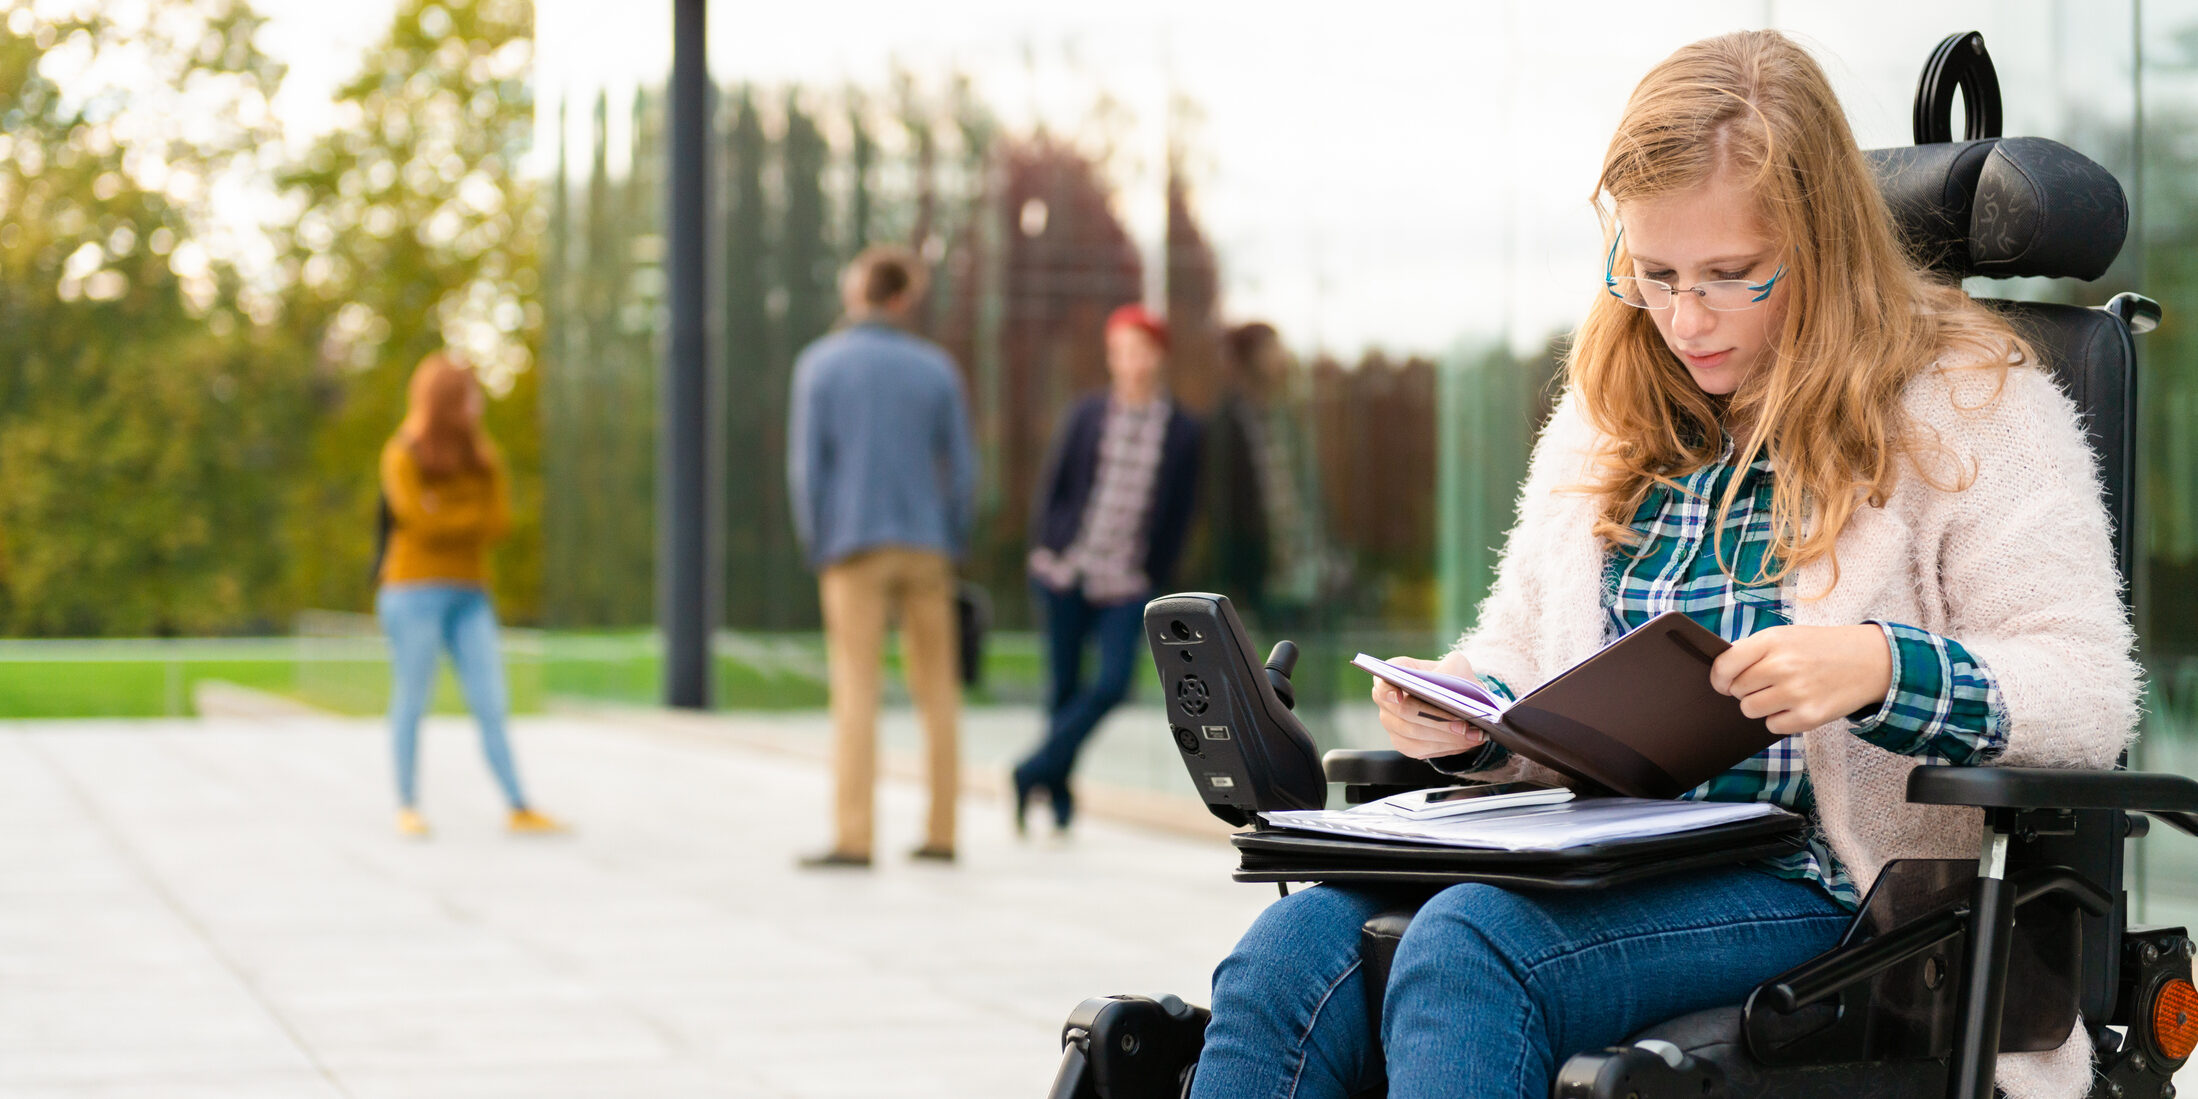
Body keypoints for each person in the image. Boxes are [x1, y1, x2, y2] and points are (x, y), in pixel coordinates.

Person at [1189, 31, 2138, 1099]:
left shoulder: (1972, 403)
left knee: (1471, 946)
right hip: (1597, 849)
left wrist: (1878, 668)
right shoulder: (1610, 408)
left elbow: (2087, 690)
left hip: (1828, 885)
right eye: (1655, 274)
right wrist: (1466, 706)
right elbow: (1517, 644)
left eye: (1732, 277)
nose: (1685, 320)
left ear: (1821, 242)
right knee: (1290, 951)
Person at [787, 243, 978, 869]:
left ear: (857, 292)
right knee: (938, 693)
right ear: (902, 298)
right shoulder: (936, 369)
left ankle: (855, 837)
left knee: (855, 690)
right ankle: (943, 831)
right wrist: (952, 536)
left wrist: (819, 540)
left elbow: (807, 469)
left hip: (851, 544)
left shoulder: (820, 364)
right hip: (927, 545)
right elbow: (965, 469)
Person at [1017, 304, 1203, 835]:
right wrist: (1043, 550)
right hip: (1066, 571)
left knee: (1113, 683)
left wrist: (1154, 571)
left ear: (1158, 355)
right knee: (1063, 686)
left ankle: (1031, 769)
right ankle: (1055, 793)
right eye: (1120, 351)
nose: (1130, 361)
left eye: (1140, 350)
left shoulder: (1184, 428)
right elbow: (1055, 487)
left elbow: (1181, 510)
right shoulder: (1087, 412)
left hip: (1127, 581)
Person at [376, 352, 562, 839]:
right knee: (412, 698)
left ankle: (518, 803)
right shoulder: (402, 453)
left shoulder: (484, 456)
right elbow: (418, 521)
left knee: (491, 700)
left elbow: (497, 522)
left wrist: (445, 512)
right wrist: (462, 516)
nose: (477, 405)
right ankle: (407, 804)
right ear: (445, 402)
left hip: (471, 593)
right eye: (468, 396)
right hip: (412, 591)